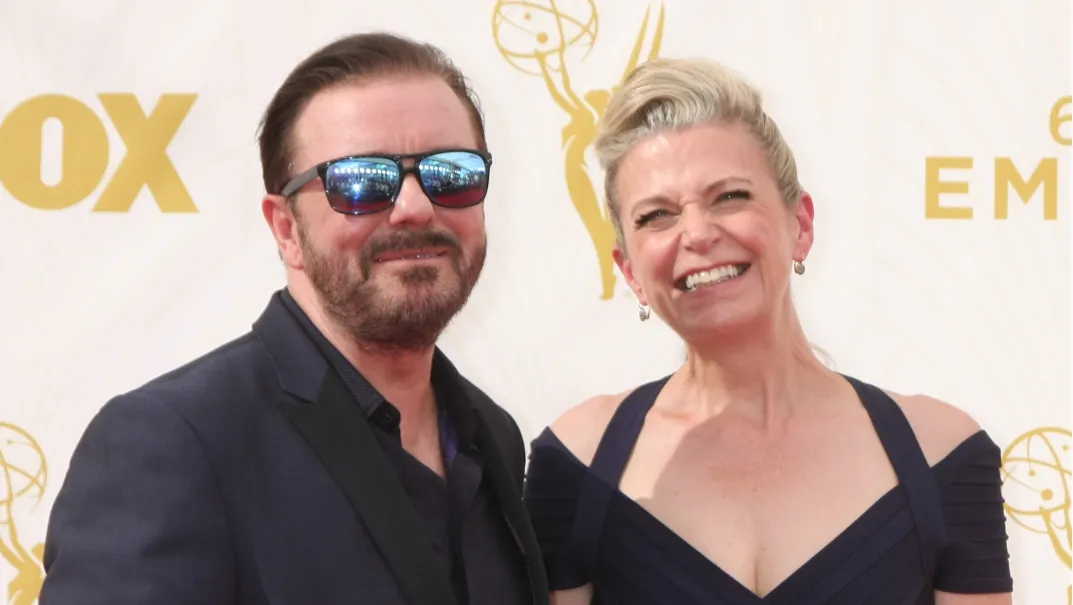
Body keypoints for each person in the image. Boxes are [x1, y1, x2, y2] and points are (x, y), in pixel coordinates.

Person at [40, 33, 549, 605]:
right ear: (285, 227)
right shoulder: (174, 443)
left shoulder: (492, 436)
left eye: (451, 173)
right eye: (361, 182)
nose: (415, 207)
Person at [523, 57, 1014, 605]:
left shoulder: (940, 453)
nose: (698, 233)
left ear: (799, 225)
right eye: (656, 215)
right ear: (630, 272)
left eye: (729, 197)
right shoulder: (576, 462)